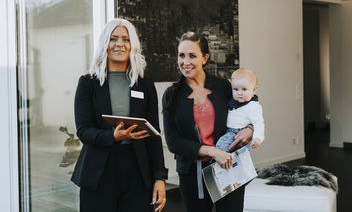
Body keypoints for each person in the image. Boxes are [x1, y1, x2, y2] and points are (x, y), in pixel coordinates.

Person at [71, 18, 168, 212]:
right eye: (113, 39)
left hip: (137, 171)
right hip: (98, 171)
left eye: (126, 39)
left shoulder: (144, 84)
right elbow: (83, 130)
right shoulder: (88, 83)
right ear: (105, 44)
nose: (119, 44)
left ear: (133, 45)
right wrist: (112, 136)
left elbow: (153, 135)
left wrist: (159, 178)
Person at [162, 32, 254, 212]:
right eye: (182, 55)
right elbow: (173, 142)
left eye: (192, 56)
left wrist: (250, 128)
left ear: (205, 58)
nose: (185, 62)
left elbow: (249, 103)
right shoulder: (170, 94)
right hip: (191, 173)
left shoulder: (223, 86)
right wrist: (212, 151)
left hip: (228, 167)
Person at [216, 68, 265, 152]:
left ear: (254, 90)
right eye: (236, 89)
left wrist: (257, 138)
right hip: (227, 130)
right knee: (235, 157)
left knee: (221, 148)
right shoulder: (232, 101)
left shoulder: (253, 105)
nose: (239, 93)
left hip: (237, 133)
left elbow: (258, 123)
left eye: (244, 89)